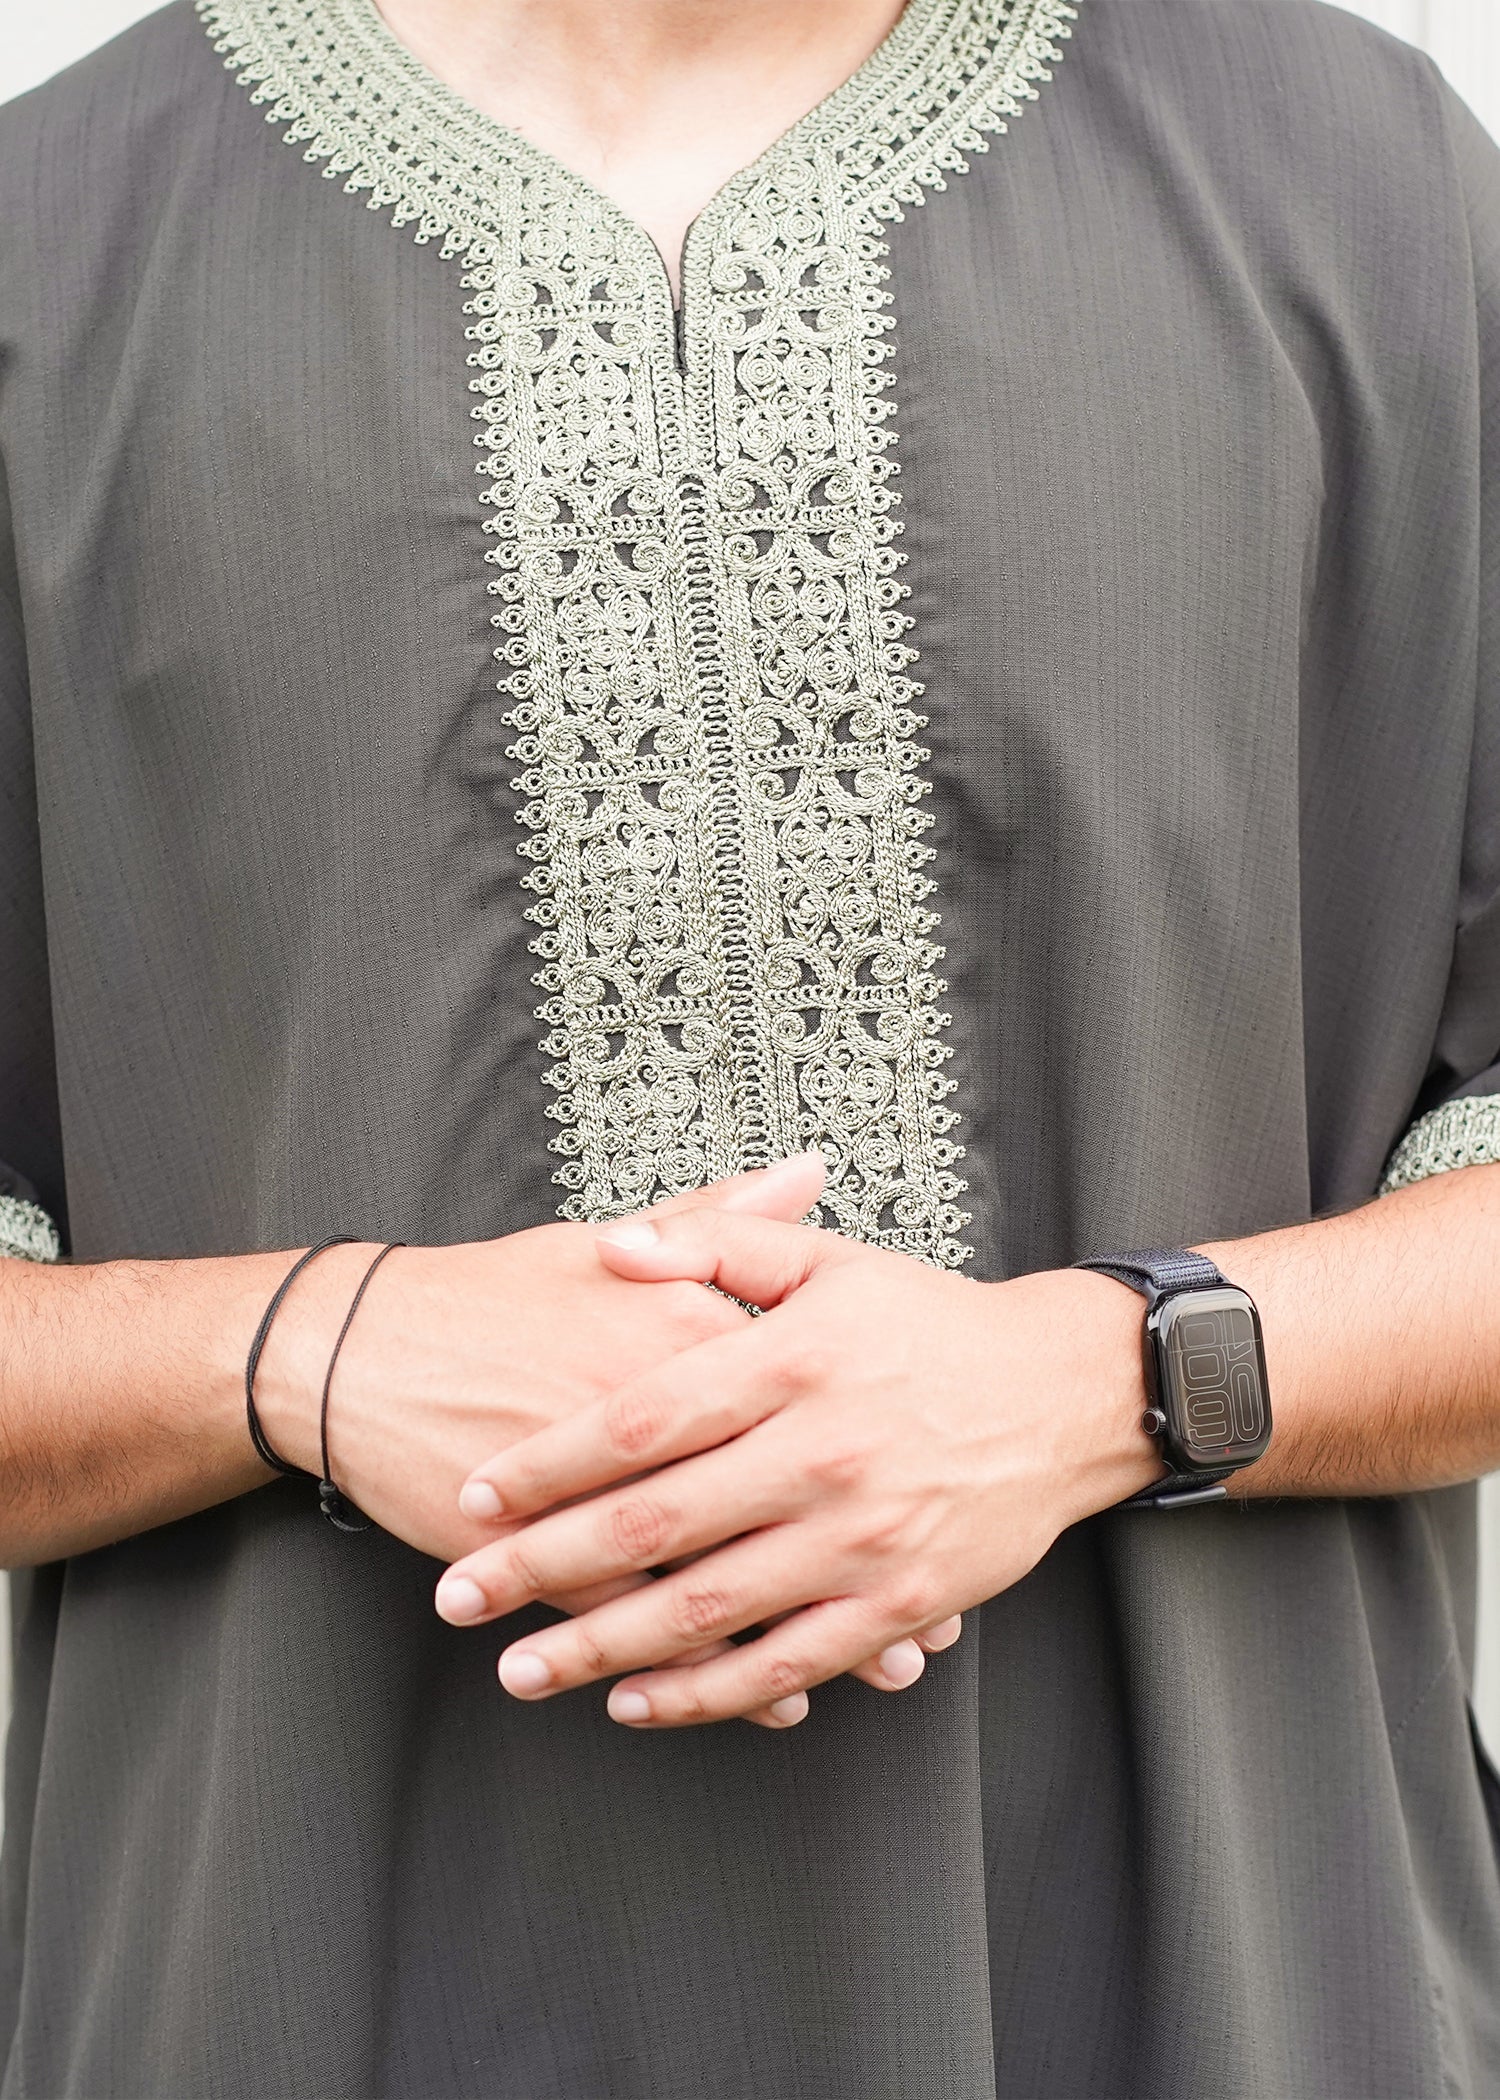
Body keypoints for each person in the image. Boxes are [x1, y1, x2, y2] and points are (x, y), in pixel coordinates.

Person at [1, 0, 1497, 2092]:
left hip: (1233, 2000)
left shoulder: (1379, 191)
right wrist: (303, 1352)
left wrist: (1105, 1373)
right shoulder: (43, 250)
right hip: (277, 1988)